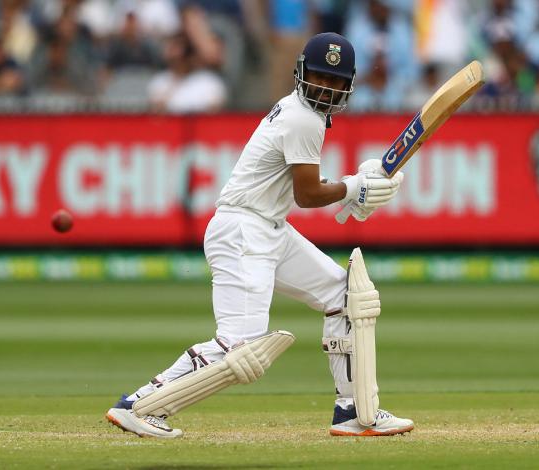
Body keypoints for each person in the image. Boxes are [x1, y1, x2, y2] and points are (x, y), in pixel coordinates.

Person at [106, 32, 413, 438]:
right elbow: (307, 194)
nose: (327, 88)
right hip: (243, 231)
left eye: (336, 82)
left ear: (348, 84)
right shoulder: (303, 117)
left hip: (268, 228)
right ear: (303, 73)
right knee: (241, 348)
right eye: (320, 77)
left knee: (344, 296)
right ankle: (140, 404)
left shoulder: (302, 112)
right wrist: (354, 188)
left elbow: (302, 185)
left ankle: (353, 410)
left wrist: (353, 189)